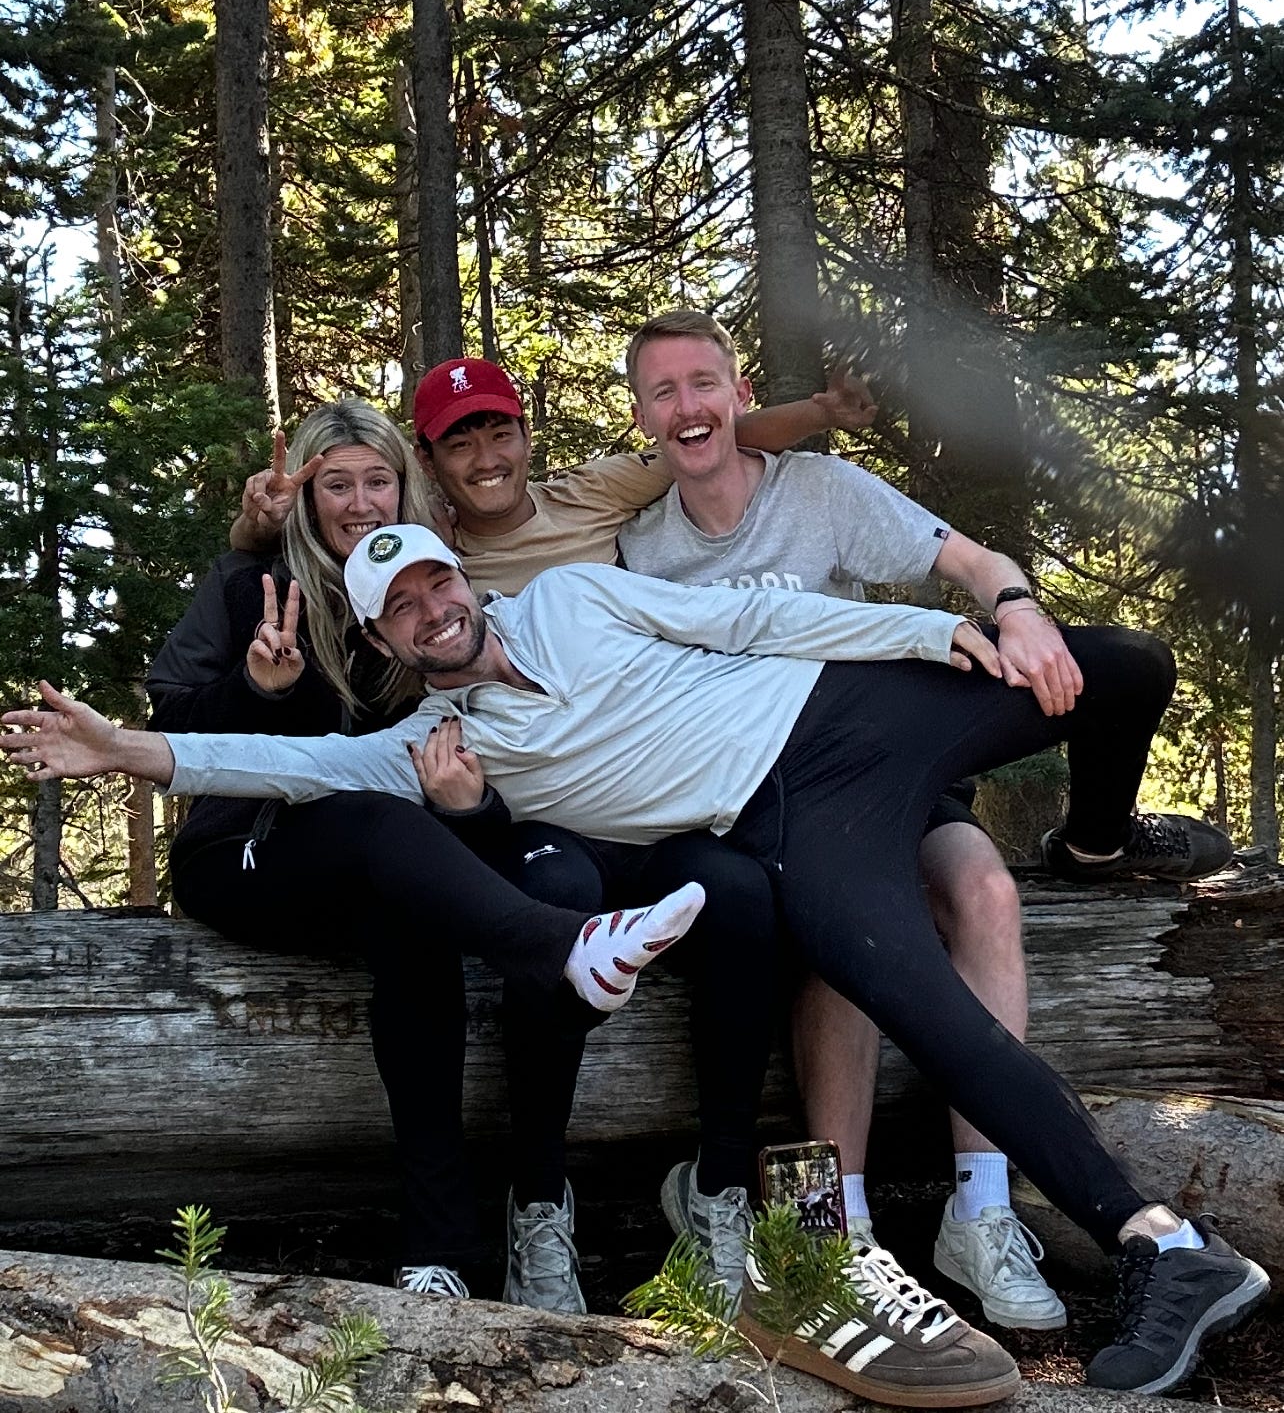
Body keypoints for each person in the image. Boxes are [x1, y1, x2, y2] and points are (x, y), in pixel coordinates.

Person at [6, 526, 1268, 1398]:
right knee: (927, 1010)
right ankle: (1164, 1248)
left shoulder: (570, 596)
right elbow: (281, 764)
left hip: (850, 707)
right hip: (795, 831)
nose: (434, 608)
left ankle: (1098, 843)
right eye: (403, 607)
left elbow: (749, 616)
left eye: (438, 581)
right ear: (387, 641)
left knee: (1119, 667)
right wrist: (125, 750)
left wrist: (932, 631)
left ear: (463, 579)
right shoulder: (438, 745)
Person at [615, 309, 1232, 1328]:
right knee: (841, 941)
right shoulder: (637, 550)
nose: (689, 406)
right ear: (642, 415)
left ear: (739, 394)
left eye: (705, 383)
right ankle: (838, 1231)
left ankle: (982, 1211)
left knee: (987, 887)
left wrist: (1019, 608)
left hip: (893, 752)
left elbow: (970, 561)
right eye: (664, 391)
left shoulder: (819, 491)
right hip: (774, 801)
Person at [143, 401, 704, 1301]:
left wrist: (475, 812)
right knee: (380, 825)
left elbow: (469, 768)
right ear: (307, 499)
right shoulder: (253, 583)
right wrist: (259, 689)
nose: (360, 502)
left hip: (380, 867)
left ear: (403, 488)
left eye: (377, 480)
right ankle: (560, 948)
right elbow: (173, 719)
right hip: (246, 854)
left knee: (413, 924)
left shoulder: (427, 599)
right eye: (336, 485)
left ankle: (437, 1252)